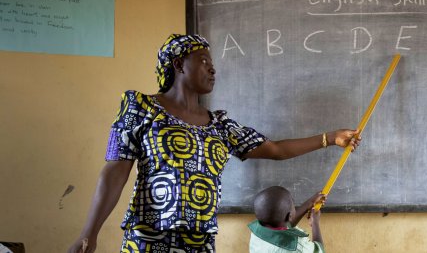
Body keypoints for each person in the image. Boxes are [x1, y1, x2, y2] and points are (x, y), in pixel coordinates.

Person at [68, 34, 360, 253]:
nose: (213, 69)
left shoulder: (220, 125)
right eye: (204, 61)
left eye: (213, 64)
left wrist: (330, 138)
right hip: (148, 237)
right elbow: (115, 171)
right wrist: (89, 233)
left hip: (200, 241)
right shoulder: (140, 107)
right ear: (179, 63)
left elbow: (276, 150)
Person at [248, 186, 325, 253]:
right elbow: (319, 250)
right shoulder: (298, 247)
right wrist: (315, 223)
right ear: (289, 216)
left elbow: (286, 224)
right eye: (293, 206)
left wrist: (310, 202)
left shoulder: (257, 232)